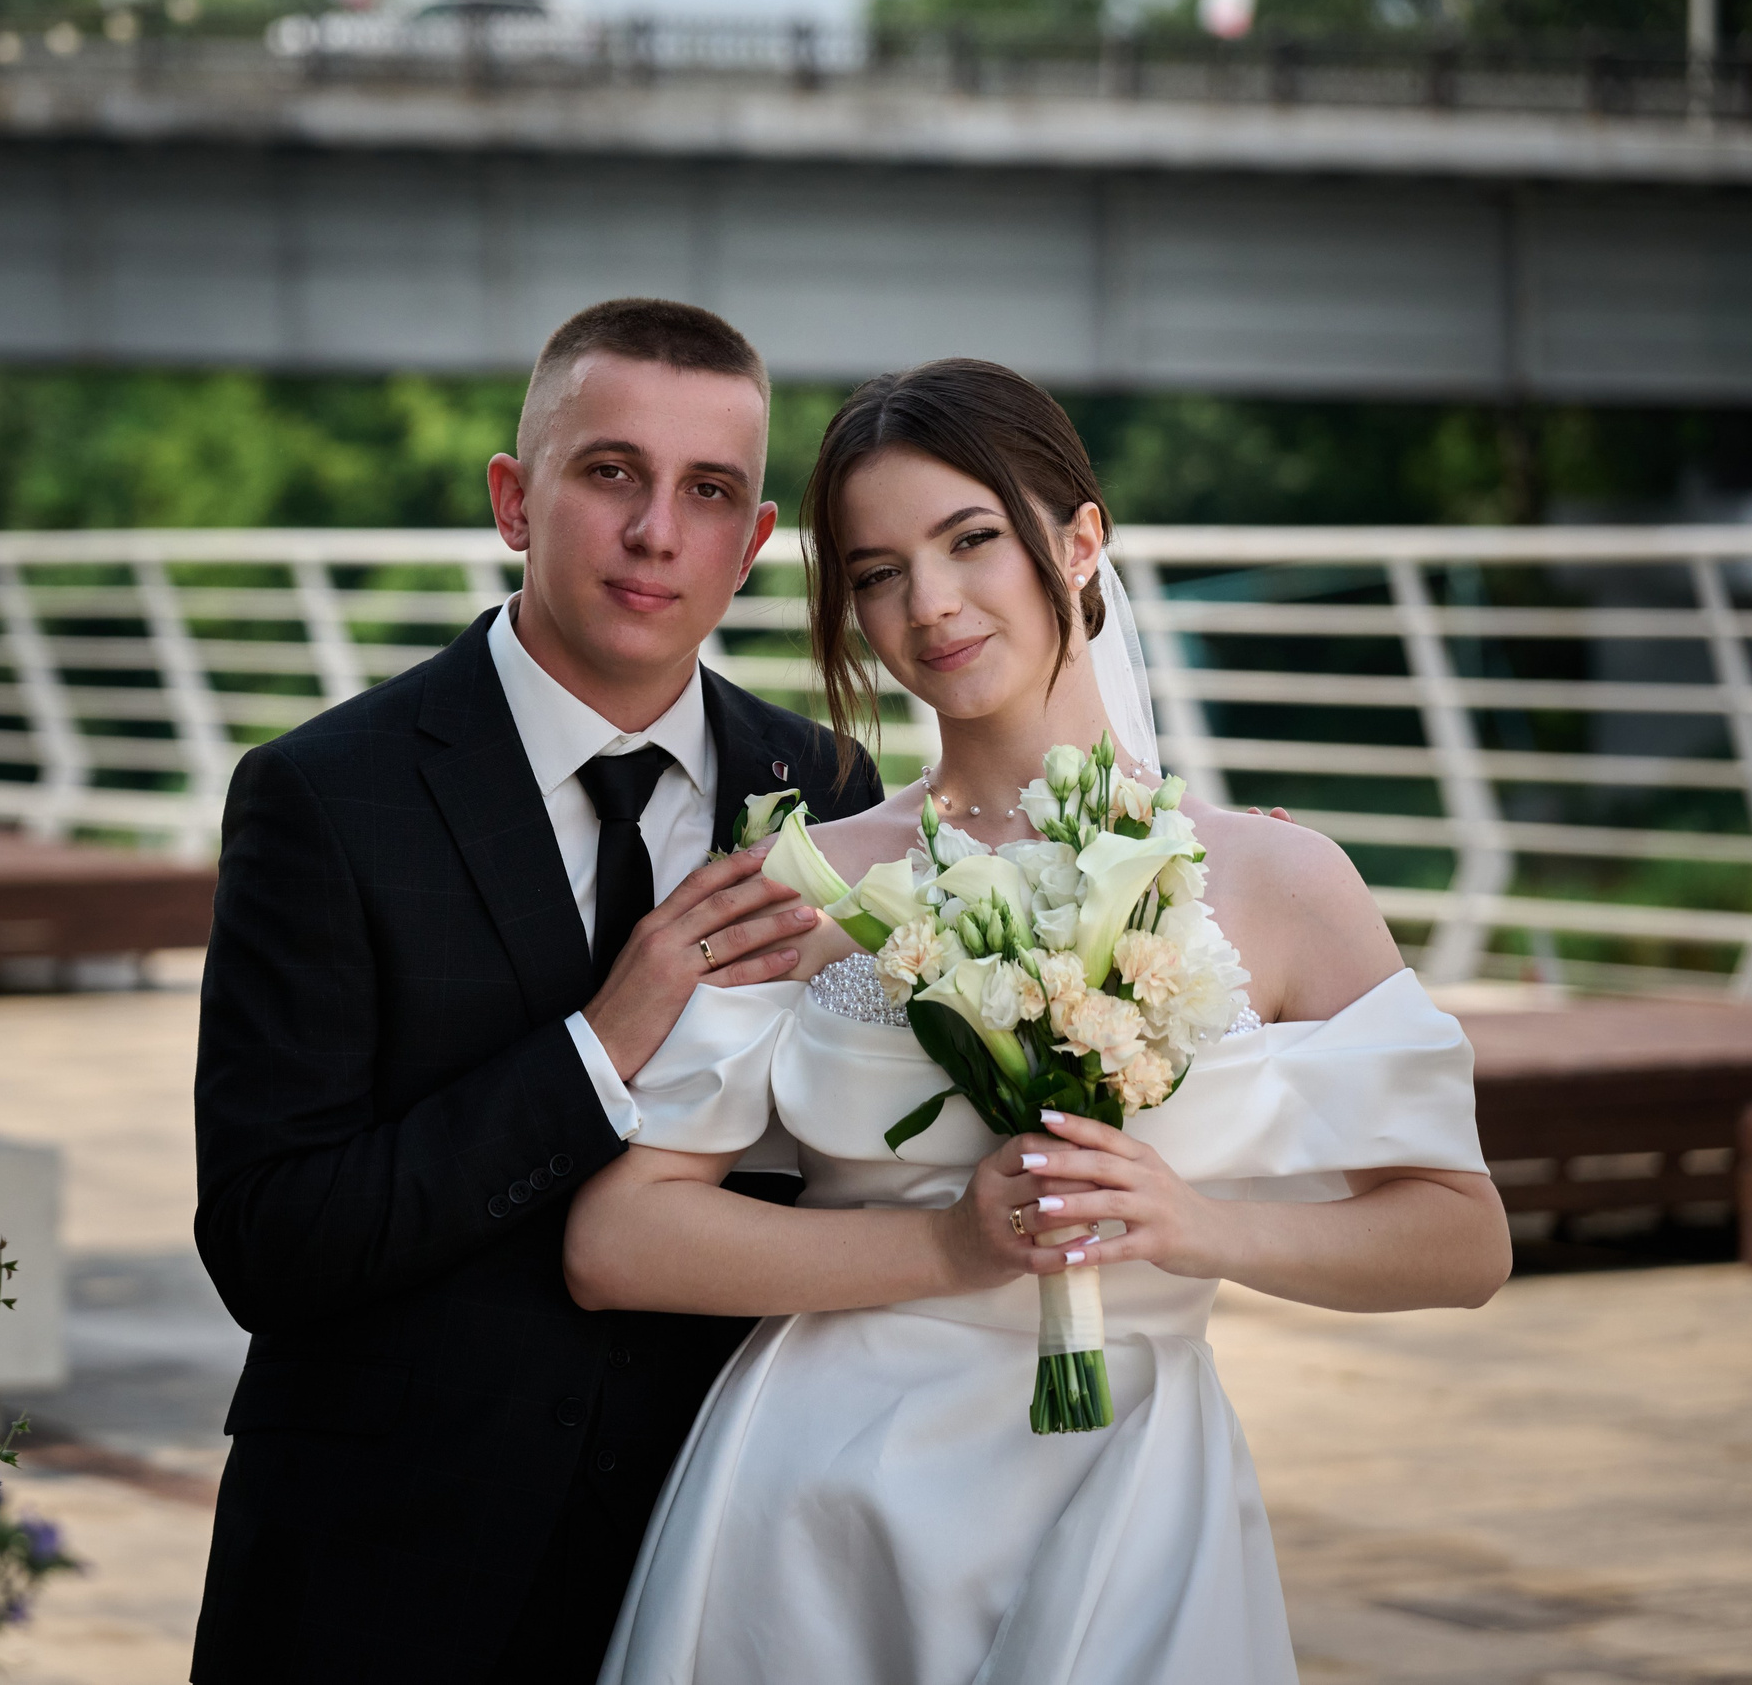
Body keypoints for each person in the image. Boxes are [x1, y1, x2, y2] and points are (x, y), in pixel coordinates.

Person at [562, 358, 1514, 1685]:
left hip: (1132, 1474)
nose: (930, 606)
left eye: (972, 541)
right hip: (821, 1505)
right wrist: (949, 1247)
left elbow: (1463, 1239)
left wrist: (1199, 1226)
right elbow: (620, 1238)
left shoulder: (1279, 879)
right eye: (878, 573)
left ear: (1077, 540)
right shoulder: (806, 880)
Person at [189, 299, 887, 1683]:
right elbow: (271, 1244)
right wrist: (598, 1046)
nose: (655, 534)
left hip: (725, 1564)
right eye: (611, 472)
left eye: (710, 494)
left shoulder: (830, 797)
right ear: (517, 498)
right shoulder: (326, 798)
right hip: (385, 1575)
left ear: (751, 548)